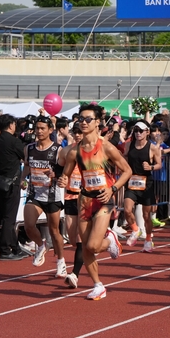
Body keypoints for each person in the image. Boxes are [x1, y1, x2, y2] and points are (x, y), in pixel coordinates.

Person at [59, 104, 132, 300]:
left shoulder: (107, 147)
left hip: (104, 200)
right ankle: (98, 285)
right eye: (80, 119)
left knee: (92, 245)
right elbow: (65, 175)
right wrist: (62, 180)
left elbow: (127, 171)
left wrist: (113, 189)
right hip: (84, 200)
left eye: (88, 119)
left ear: (97, 122)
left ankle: (110, 241)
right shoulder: (74, 152)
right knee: (83, 246)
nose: (83, 122)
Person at [19, 116, 68, 277]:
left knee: (54, 231)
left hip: (52, 195)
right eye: (37, 128)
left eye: (42, 128)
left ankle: (61, 262)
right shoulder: (29, 148)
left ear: (50, 130)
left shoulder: (58, 150)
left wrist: (55, 174)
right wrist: (22, 179)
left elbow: (63, 171)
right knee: (28, 225)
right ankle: (41, 245)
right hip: (34, 193)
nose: (39, 131)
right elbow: (27, 166)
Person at [0, 115, 26, 260]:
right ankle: (5, 250)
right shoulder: (14, 141)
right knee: (9, 218)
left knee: (5, 216)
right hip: (11, 183)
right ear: (11, 125)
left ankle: (15, 247)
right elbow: (25, 155)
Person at [123, 121, 162, 252]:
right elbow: (124, 158)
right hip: (132, 182)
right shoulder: (129, 145)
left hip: (146, 184)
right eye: (136, 130)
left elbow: (159, 164)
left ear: (147, 132)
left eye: (141, 131)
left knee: (146, 216)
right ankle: (135, 229)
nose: (138, 133)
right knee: (127, 209)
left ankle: (149, 239)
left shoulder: (152, 148)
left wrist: (150, 167)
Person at [61, 122, 85, 289]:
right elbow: (59, 170)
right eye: (75, 132)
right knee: (71, 237)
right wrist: (58, 177)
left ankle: (74, 273)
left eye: (80, 132)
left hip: (86, 197)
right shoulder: (67, 151)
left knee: (80, 238)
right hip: (70, 195)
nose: (77, 135)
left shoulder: (92, 151)